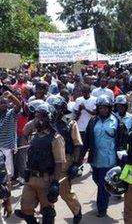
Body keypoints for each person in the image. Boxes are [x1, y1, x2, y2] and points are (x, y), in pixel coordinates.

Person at [80, 95, 128, 218]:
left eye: (105, 108)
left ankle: (102, 208)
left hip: (109, 160)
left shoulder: (117, 122)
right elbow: (87, 141)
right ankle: (107, 192)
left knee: (102, 184)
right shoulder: (93, 121)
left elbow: (123, 141)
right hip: (95, 159)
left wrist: (122, 159)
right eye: (101, 108)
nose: (103, 110)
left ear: (110, 108)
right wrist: (80, 156)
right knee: (96, 179)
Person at [17, 103, 65, 224]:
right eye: (36, 116)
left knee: (47, 212)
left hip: (45, 180)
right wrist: (36, 121)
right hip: (30, 179)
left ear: (47, 120)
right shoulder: (34, 134)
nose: (36, 119)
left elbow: (59, 162)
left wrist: (55, 184)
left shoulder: (56, 138)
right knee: (25, 209)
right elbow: (24, 132)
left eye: (40, 117)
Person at [46, 95, 83, 223]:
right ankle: (49, 217)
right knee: (47, 192)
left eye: (55, 108)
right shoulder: (46, 123)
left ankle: (77, 211)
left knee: (64, 192)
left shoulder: (70, 123)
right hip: (48, 161)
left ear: (61, 109)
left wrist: (75, 164)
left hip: (64, 162)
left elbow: (77, 145)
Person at [73, 84, 97, 155]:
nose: (84, 94)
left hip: (91, 127)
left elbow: (94, 113)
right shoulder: (79, 100)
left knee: (91, 146)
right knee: (81, 147)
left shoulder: (94, 99)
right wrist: (80, 110)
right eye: (83, 92)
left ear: (89, 92)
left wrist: (85, 108)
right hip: (80, 127)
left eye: (85, 92)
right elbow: (76, 114)